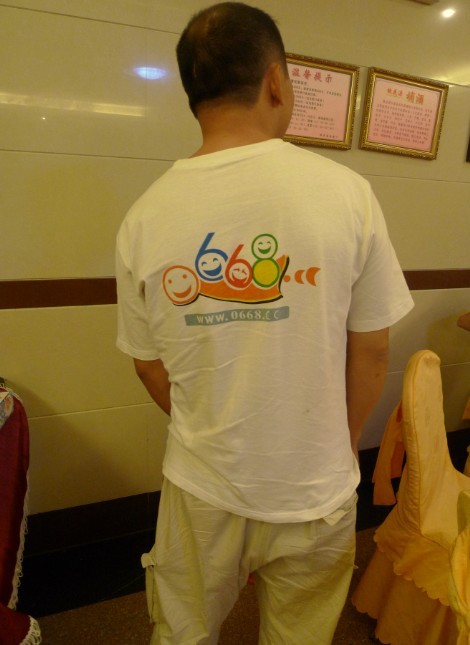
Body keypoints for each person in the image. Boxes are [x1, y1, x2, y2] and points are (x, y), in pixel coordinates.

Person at [115, 3, 414, 643]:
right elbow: (372, 350)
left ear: (193, 94)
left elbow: (147, 363)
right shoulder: (347, 193)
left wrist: (210, 427)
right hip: (317, 487)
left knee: (184, 632)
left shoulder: (145, 215)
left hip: (202, 484)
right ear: (276, 81)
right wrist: (336, 442)